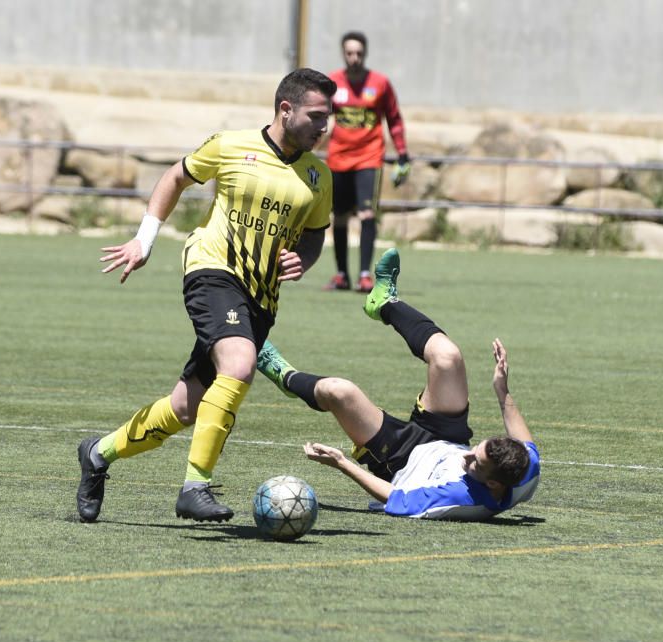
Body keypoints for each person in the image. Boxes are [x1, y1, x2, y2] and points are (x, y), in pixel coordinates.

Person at [75, 68, 337, 524]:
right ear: (286, 108)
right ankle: (195, 486)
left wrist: (303, 261)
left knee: (185, 407)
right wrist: (144, 240)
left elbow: (314, 235)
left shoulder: (318, 175)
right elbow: (173, 178)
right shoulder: (231, 145)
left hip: (261, 298)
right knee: (239, 365)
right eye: (316, 116)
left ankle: (97, 454)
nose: (324, 126)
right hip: (212, 270)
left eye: (328, 118)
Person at [257, 248, 540, 520]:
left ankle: (286, 377)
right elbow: (527, 444)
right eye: (476, 450)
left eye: (475, 464)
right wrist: (502, 390)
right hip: (446, 436)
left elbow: (395, 498)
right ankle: (383, 303)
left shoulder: (460, 499)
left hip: (401, 460)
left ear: (492, 485)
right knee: (447, 357)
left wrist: (342, 463)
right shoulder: (525, 468)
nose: (467, 458)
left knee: (339, 391)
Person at [324, 31, 411, 293]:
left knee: (367, 214)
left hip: (369, 158)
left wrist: (402, 153)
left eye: (359, 53)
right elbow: (318, 116)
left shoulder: (380, 83)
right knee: (338, 217)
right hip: (338, 158)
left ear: (366, 54)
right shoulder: (332, 83)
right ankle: (341, 274)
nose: (355, 58)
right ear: (343, 54)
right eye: (350, 53)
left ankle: (364, 275)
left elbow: (394, 119)